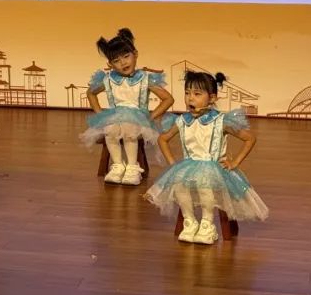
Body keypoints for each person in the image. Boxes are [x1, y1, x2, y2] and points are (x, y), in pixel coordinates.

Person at [145, 71, 268, 243]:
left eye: (197, 94)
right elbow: (163, 139)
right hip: (189, 167)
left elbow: (249, 138)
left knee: (205, 187)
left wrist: (234, 162)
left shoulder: (221, 121)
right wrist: (173, 164)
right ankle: (190, 222)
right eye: (187, 93)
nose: (190, 98)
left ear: (212, 98)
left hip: (215, 170)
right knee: (179, 185)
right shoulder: (182, 121)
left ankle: (207, 224)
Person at [81, 28, 174, 184]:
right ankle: (118, 165)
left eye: (126, 56)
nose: (123, 63)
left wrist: (151, 116)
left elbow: (168, 99)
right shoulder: (108, 79)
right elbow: (91, 93)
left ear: (135, 54)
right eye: (116, 61)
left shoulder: (145, 79)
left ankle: (132, 167)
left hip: (138, 117)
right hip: (115, 116)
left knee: (129, 131)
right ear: (110, 64)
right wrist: (100, 114)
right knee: (111, 131)